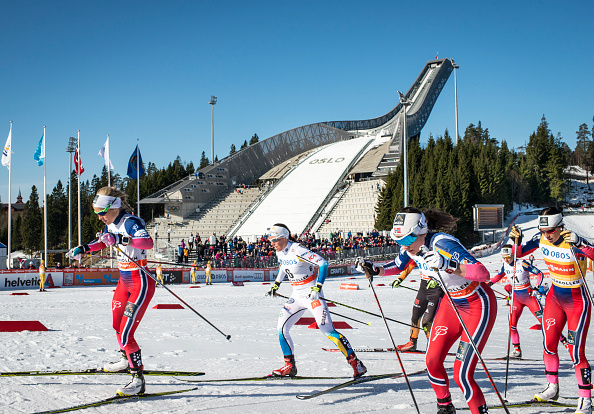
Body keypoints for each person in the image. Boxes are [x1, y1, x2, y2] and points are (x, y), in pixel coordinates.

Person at [358, 208, 495, 414]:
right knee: (431, 361)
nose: (404, 246)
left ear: (421, 231)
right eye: (400, 241)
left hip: (477, 303)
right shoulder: (411, 247)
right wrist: (375, 270)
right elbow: (397, 265)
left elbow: (483, 273)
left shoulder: (442, 243)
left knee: (462, 374)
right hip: (452, 303)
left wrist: (448, 264)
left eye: (407, 240)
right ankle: (445, 407)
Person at [67, 186, 155, 396]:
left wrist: (121, 240)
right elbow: (101, 242)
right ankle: (125, 360)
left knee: (126, 333)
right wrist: (84, 248)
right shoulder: (111, 224)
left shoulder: (130, 222)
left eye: (101, 212)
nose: (99, 217)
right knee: (117, 325)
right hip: (124, 281)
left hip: (140, 281)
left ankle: (138, 379)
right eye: (97, 213)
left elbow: (147, 242)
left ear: (113, 207)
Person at [509, 207, 594, 413]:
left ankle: (586, 399)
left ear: (560, 226)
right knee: (549, 344)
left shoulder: (572, 239)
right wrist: (516, 242)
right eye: (544, 230)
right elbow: (517, 256)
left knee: (576, 352)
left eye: (551, 230)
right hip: (555, 298)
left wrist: (582, 243)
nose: (547, 234)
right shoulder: (541, 238)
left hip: (577, 301)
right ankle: (552, 387)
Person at [266, 223, 366, 379]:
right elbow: (283, 266)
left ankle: (356, 364)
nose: (272, 244)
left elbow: (323, 263)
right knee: (281, 329)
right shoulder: (281, 252)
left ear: (284, 238)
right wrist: (277, 284)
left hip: (312, 295)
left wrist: (318, 287)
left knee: (327, 330)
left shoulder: (298, 250)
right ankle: (289, 366)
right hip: (296, 296)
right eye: (270, 240)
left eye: (275, 240)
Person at [487, 244, 568, 358]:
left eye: (508, 257)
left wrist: (536, 287)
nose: (506, 259)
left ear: (513, 255)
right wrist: (490, 283)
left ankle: (566, 343)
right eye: (504, 257)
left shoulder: (522, 263)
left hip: (529, 297)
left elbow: (539, 273)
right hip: (516, 299)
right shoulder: (505, 265)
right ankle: (517, 350)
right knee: (512, 325)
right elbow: (499, 276)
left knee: (546, 324)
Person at [387, 255, 444, 352]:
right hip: (424, 287)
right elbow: (411, 265)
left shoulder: (434, 252)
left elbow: (446, 268)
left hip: (437, 289)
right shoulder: (418, 254)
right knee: (415, 316)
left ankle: (433, 346)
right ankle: (412, 342)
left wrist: (438, 280)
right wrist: (400, 279)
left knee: (427, 322)